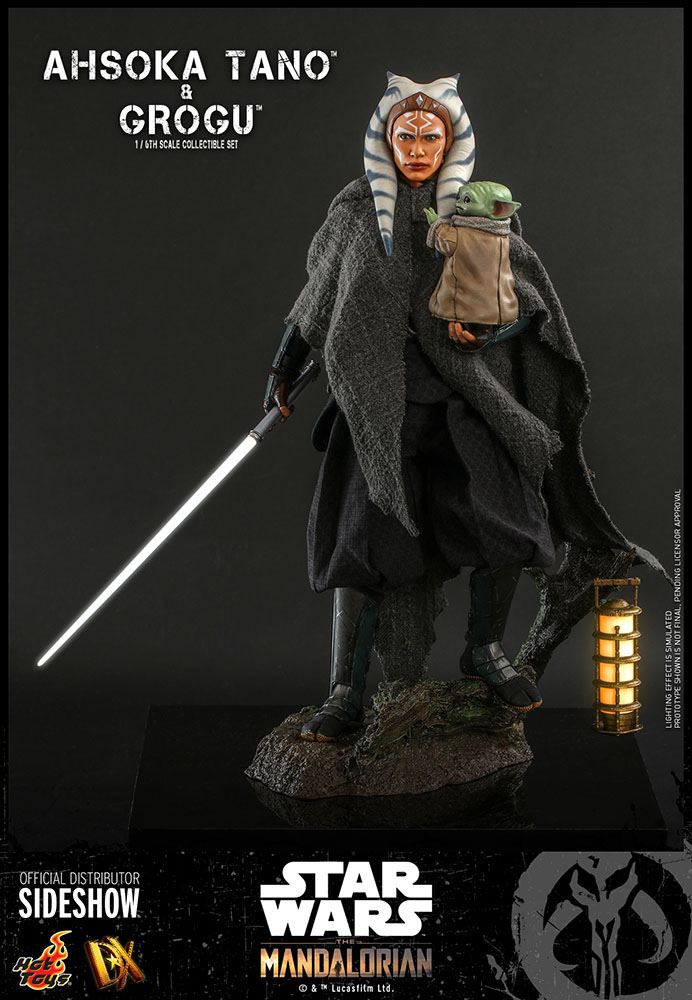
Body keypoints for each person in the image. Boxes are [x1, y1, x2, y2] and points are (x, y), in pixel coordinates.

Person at [262, 73, 663, 743]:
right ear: (385, 139)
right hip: (379, 401)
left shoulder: (481, 208)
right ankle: (345, 693)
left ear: (451, 142)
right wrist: (284, 363)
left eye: (431, 138)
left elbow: (522, 302)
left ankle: (485, 651)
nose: (418, 149)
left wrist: (488, 335)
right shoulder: (357, 209)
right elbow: (321, 296)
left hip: (464, 393)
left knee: (508, 518)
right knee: (361, 539)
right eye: (406, 137)